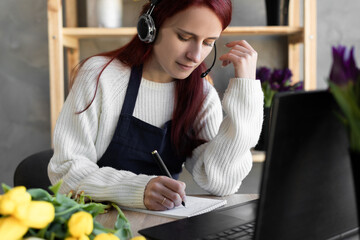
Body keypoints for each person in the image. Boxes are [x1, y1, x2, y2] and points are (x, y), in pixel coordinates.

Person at [48, 0, 263, 211]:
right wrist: (138, 189)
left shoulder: (201, 95)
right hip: (95, 225)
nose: (195, 56)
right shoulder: (100, 76)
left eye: (208, 43)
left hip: (160, 226)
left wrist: (246, 90)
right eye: (185, 37)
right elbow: (65, 172)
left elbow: (222, 183)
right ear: (150, 27)